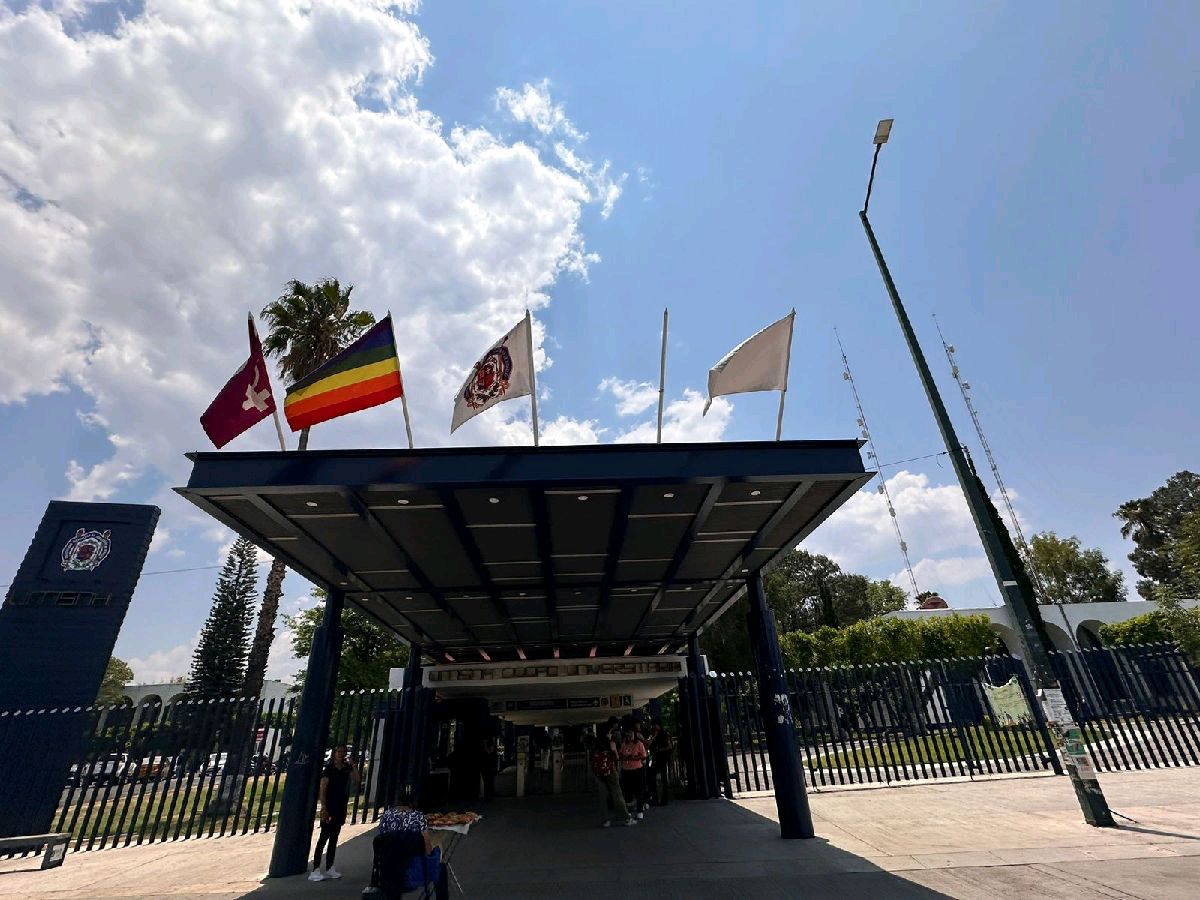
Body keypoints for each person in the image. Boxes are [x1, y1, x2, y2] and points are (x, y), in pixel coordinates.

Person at [372, 805, 449, 900]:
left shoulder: (386, 817)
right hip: (414, 872)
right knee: (441, 868)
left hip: (389, 873)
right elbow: (428, 850)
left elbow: (381, 841)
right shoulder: (418, 817)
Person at [310, 744, 359, 881]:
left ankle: (330, 866)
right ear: (334, 753)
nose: (341, 754)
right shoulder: (329, 770)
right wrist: (324, 807)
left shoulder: (346, 768)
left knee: (334, 837)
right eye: (338, 752)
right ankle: (316, 868)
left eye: (343, 752)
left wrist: (353, 765)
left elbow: (356, 780)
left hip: (340, 807)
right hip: (330, 806)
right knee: (323, 837)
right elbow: (323, 788)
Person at [593, 719, 634, 828]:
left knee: (603, 795)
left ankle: (605, 820)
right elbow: (616, 755)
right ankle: (625, 817)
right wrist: (615, 751)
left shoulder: (597, 741)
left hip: (598, 771)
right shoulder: (610, 741)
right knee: (617, 793)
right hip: (610, 769)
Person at [618, 727, 648, 820]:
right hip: (626, 770)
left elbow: (644, 756)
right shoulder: (624, 744)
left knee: (639, 791)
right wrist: (625, 757)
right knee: (628, 792)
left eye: (631, 733)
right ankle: (629, 811)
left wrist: (635, 757)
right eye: (628, 733)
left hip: (637, 769)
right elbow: (620, 755)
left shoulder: (639, 744)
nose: (629, 735)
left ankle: (639, 810)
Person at [648, 720, 675, 806]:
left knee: (662, 779)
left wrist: (660, 750)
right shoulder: (655, 734)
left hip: (662, 759)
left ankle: (663, 799)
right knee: (654, 778)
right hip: (657, 759)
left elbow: (669, 746)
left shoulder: (663, 734)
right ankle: (656, 798)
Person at [480, 735, 498, 801]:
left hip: (489, 768)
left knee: (489, 782)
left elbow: (489, 752)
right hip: (486, 768)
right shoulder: (485, 749)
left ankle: (489, 796)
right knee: (487, 782)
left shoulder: (490, 748)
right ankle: (488, 795)